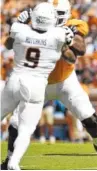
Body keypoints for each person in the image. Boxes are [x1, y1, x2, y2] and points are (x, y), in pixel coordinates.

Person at [1, 0, 97, 169]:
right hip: (39, 82)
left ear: (68, 15)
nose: (56, 18)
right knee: (16, 123)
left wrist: (67, 39)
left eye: (60, 14)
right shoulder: (37, 27)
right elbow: (10, 44)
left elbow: (80, 50)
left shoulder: (72, 26)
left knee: (89, 117)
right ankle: (9, 160)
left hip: (65, 81)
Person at [0, 2, 75, 169]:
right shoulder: (59, 34)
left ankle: (11, 161)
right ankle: (14, 162)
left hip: (15, 80)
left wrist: (20, 22)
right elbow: (70, 54)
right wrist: (70, 38)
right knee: (26, 129)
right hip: (36, 85)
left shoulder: (20, 29)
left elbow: (8, 43)